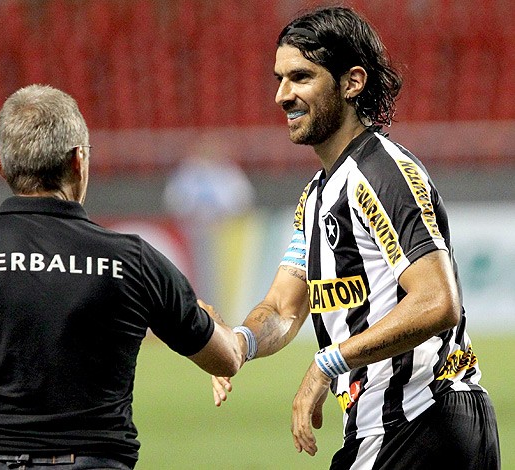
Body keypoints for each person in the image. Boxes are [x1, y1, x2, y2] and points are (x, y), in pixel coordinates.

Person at [0, 84, 242, 470]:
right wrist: (215, 324)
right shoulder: (134, 259)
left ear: (0, 165)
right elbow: (225, 357)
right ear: (79, 161)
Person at [212, 6, 500, 469]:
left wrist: (329, 363)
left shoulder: (382, 174)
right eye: (279, 78)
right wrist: (239, 343)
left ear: (352, 83)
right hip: (391, 427)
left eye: (301, 77)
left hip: (420, 418)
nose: (282, 95)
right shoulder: (316, 196)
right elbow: (285, 308)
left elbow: (436, 301)